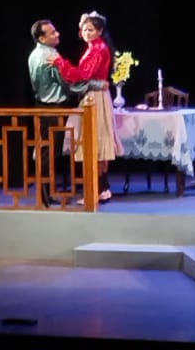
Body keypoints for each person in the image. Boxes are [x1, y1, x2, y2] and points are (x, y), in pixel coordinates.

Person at [27, 19, 107, 205]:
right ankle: (45, 195)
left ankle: (45, 193)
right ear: (42, 38)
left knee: (47, 149)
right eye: (52, 33)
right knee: (49, 150)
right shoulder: (49, 58)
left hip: (42, 105)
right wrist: (97, 84)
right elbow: (70, 83)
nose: (57, 34)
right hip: (53, 108)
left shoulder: (35, 54)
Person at [52, 11, 123, 203]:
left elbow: (82, 75)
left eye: (91, 30)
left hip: (95, 98)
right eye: (84, 29)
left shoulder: (98, 49)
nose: (86, 33)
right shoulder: (95, 47)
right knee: (97, 144)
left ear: (99, 31)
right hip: (96, 95)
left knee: (94, 143)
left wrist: (61, 64)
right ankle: (102, 188)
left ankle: (96, 190)